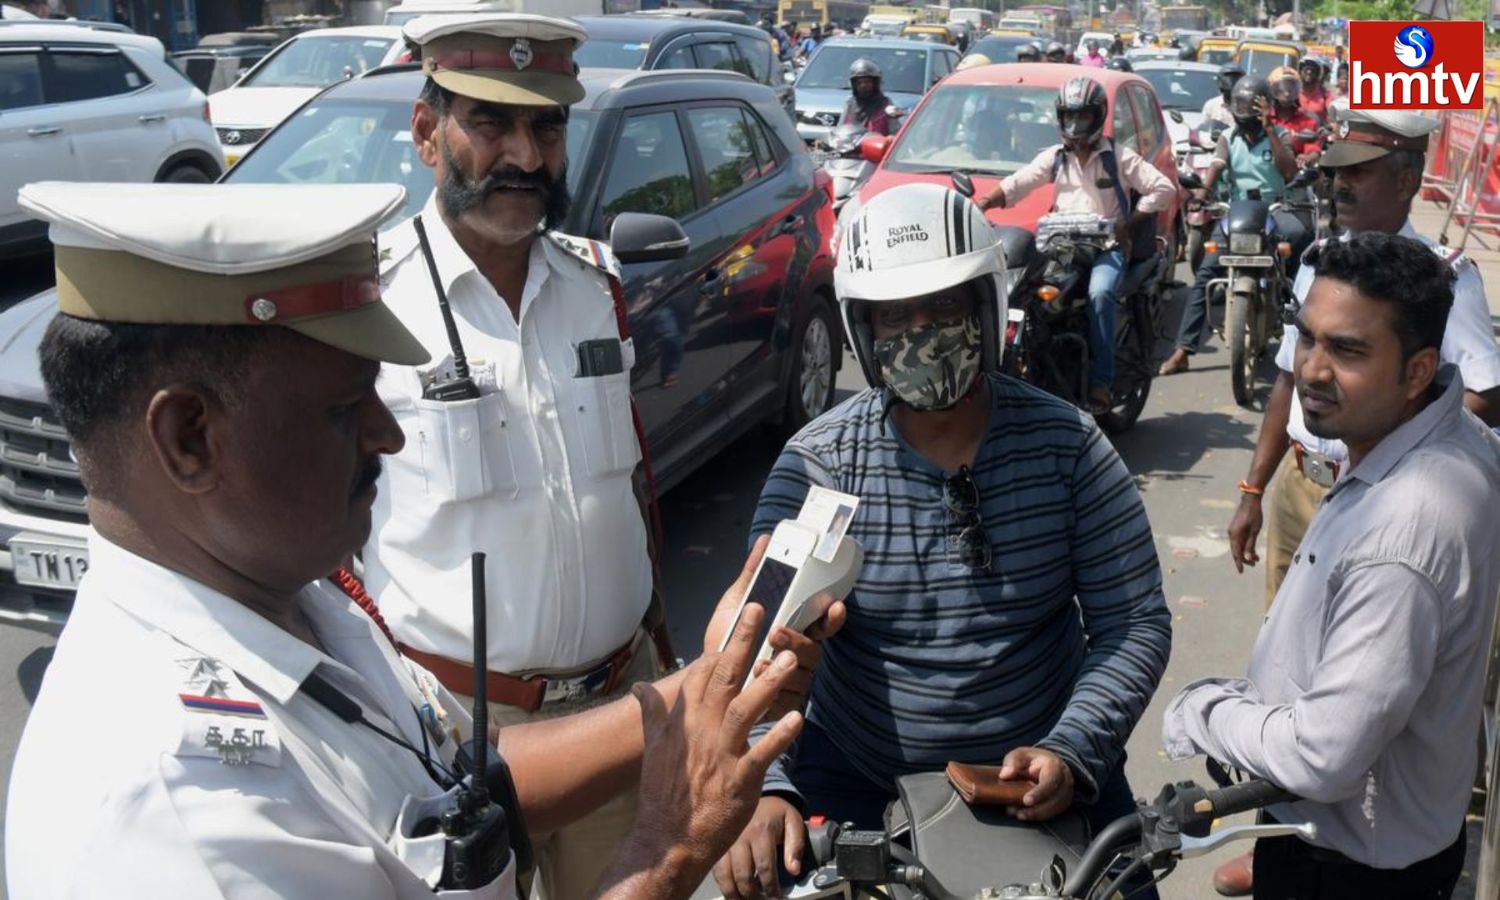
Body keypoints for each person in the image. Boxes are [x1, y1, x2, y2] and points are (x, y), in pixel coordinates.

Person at [2, 180, 826, 900]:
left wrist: (711, 686)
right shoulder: (179, 814)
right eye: (343, 409)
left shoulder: (297, 604)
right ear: (189, 436)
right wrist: (668, 847)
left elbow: (464, 781)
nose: (388, 437)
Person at [365, 15, 842, 900]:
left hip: (624, 710)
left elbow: (622, 496)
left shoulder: (594, 291)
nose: (525, 155)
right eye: (490, 124)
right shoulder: (374, 311)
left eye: (546, 127)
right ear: (429, 134)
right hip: (457, 734)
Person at [712, 182, 1171, 900]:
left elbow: (1133, 622)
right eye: (895, 316)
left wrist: (1073, 747)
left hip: (1041, 774)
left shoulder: (1070, 447)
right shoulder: (818, 468)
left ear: (986, 308)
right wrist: (765, 785)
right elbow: (755, 640)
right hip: (859, 773)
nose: (921, 331)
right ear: (862, 330)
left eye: (945, 306)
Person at [1215, 108, 1500, 898]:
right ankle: (1279, 819)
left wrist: (1398, 464)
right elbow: (1285, 380)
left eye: (1360, 172)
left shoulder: (1440, 280)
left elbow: (1482, 391)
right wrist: (1253, 487)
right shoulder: (1323, 265)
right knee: (1300, 664)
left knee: (1369, 696)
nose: (1339, 184)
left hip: (1373, 492)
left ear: (1408, 180)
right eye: (1335, 169)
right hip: (1314, 485)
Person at [978, 76, 1175, 413]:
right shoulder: (1056, 157)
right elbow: (1019, 183)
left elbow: (1163, 189)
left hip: (1107, 249)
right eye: (1069, 117)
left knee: (1100, 294)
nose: (1074, 124)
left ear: (1097, 117)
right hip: (1061, 247)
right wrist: (983, 204)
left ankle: (1101, 382)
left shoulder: (1118, 156)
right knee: (1026, 294)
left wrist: (1130, 222)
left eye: (1082, 117)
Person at [1160, 76, 1304, 376]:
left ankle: (1299, 337)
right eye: (1241, 104)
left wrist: (1268, 129)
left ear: (1267, 106)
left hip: (1273, 210)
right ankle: (1183, 350)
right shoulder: (1228, 137)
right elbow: (1216, 166)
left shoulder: (1281, 135)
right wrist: (1200, 195)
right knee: (1204, 274)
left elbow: (1289, 172)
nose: (1246, 111)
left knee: (1296, 253)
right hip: (1237, 213)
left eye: (1253, 105)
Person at [1267, 66, 1321, 164]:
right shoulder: (1265, 118)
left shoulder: (1307, 121)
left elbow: (1313, 149)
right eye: (1282, 89)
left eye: (1291, 89)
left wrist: (1308, 157)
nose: (1287, 94)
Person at [840, 58, 892, 135]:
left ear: (875, 83)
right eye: (859, 83)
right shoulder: (850, 104)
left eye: (867, 82)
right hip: (852, 145)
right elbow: (841, 129)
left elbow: (896, 131)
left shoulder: (886, 104)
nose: (863, 85)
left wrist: (889, 139)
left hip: (878, 145)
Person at [1201, 62, 1246, 127]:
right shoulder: (1211, 106)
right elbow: (1204, 128)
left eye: (1235, 77)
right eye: (1229, 77)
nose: (1232, 81)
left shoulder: (1247, 107)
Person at [1296, 56, 1332, 125]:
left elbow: (1333, 113)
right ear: (1300, 72)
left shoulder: (1325, 95)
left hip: (1317, 133)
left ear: (1318, 74)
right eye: (1306, 69)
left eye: (1312, 70)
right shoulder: (1292, 92)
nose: (1309, 72)